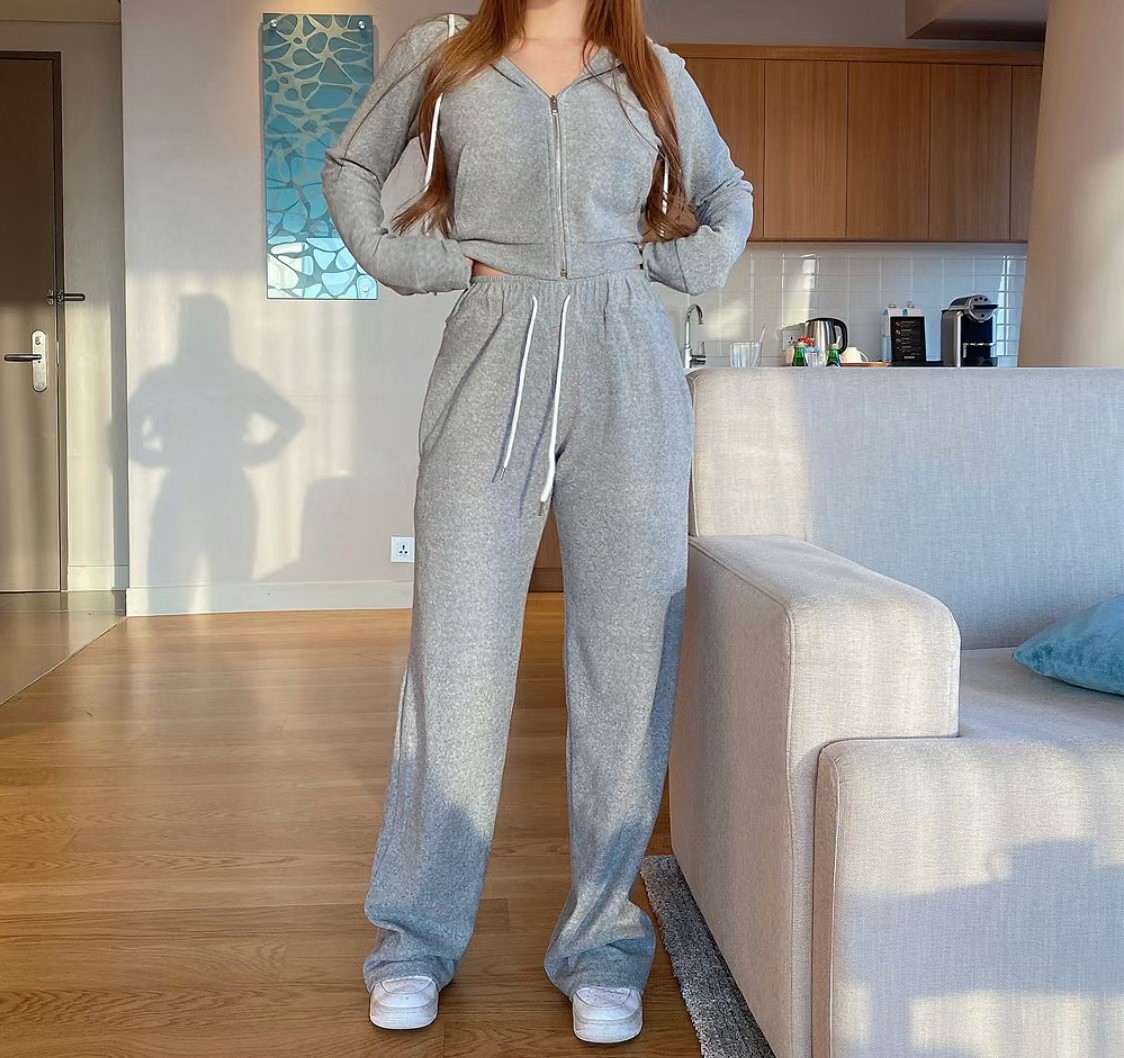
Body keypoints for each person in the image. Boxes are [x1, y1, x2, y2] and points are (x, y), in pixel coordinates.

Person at [321, 0, 753, 1044]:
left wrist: (671, 266)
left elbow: (725, 193)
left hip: (627, 362)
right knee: (456, 657)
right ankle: (414, 939)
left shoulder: (650, 68)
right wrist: (430, 262)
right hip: (489, 351)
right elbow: (349, 168)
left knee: (625, 664)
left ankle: (601, 944)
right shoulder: (444, 53)